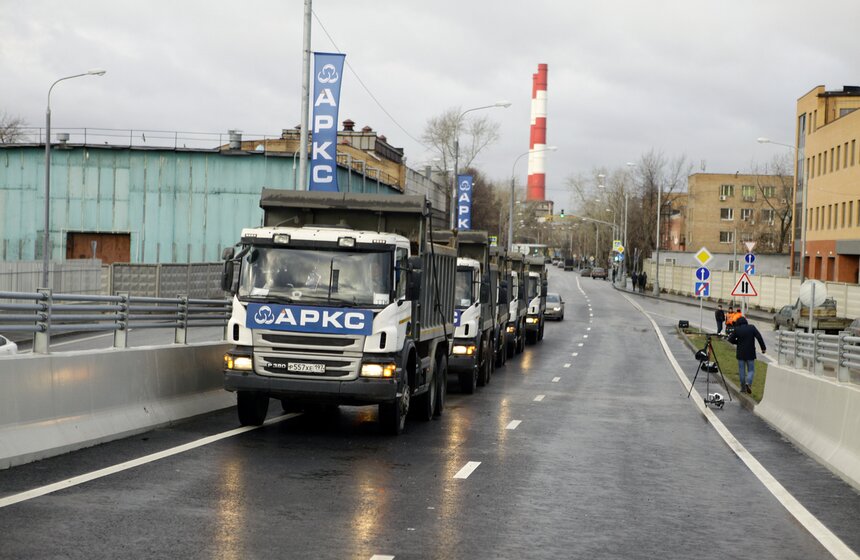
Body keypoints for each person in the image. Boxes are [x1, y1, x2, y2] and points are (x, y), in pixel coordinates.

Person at [727, 316, 766, 394]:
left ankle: (743, 388)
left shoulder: (737, 329)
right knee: (751, 370)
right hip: (750, 353)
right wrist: (763, 348)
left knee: (742, 371)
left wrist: (737, 342)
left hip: (740, 353)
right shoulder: (752, 328)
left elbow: (730, 339)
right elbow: (759, 337)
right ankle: (748, 383)